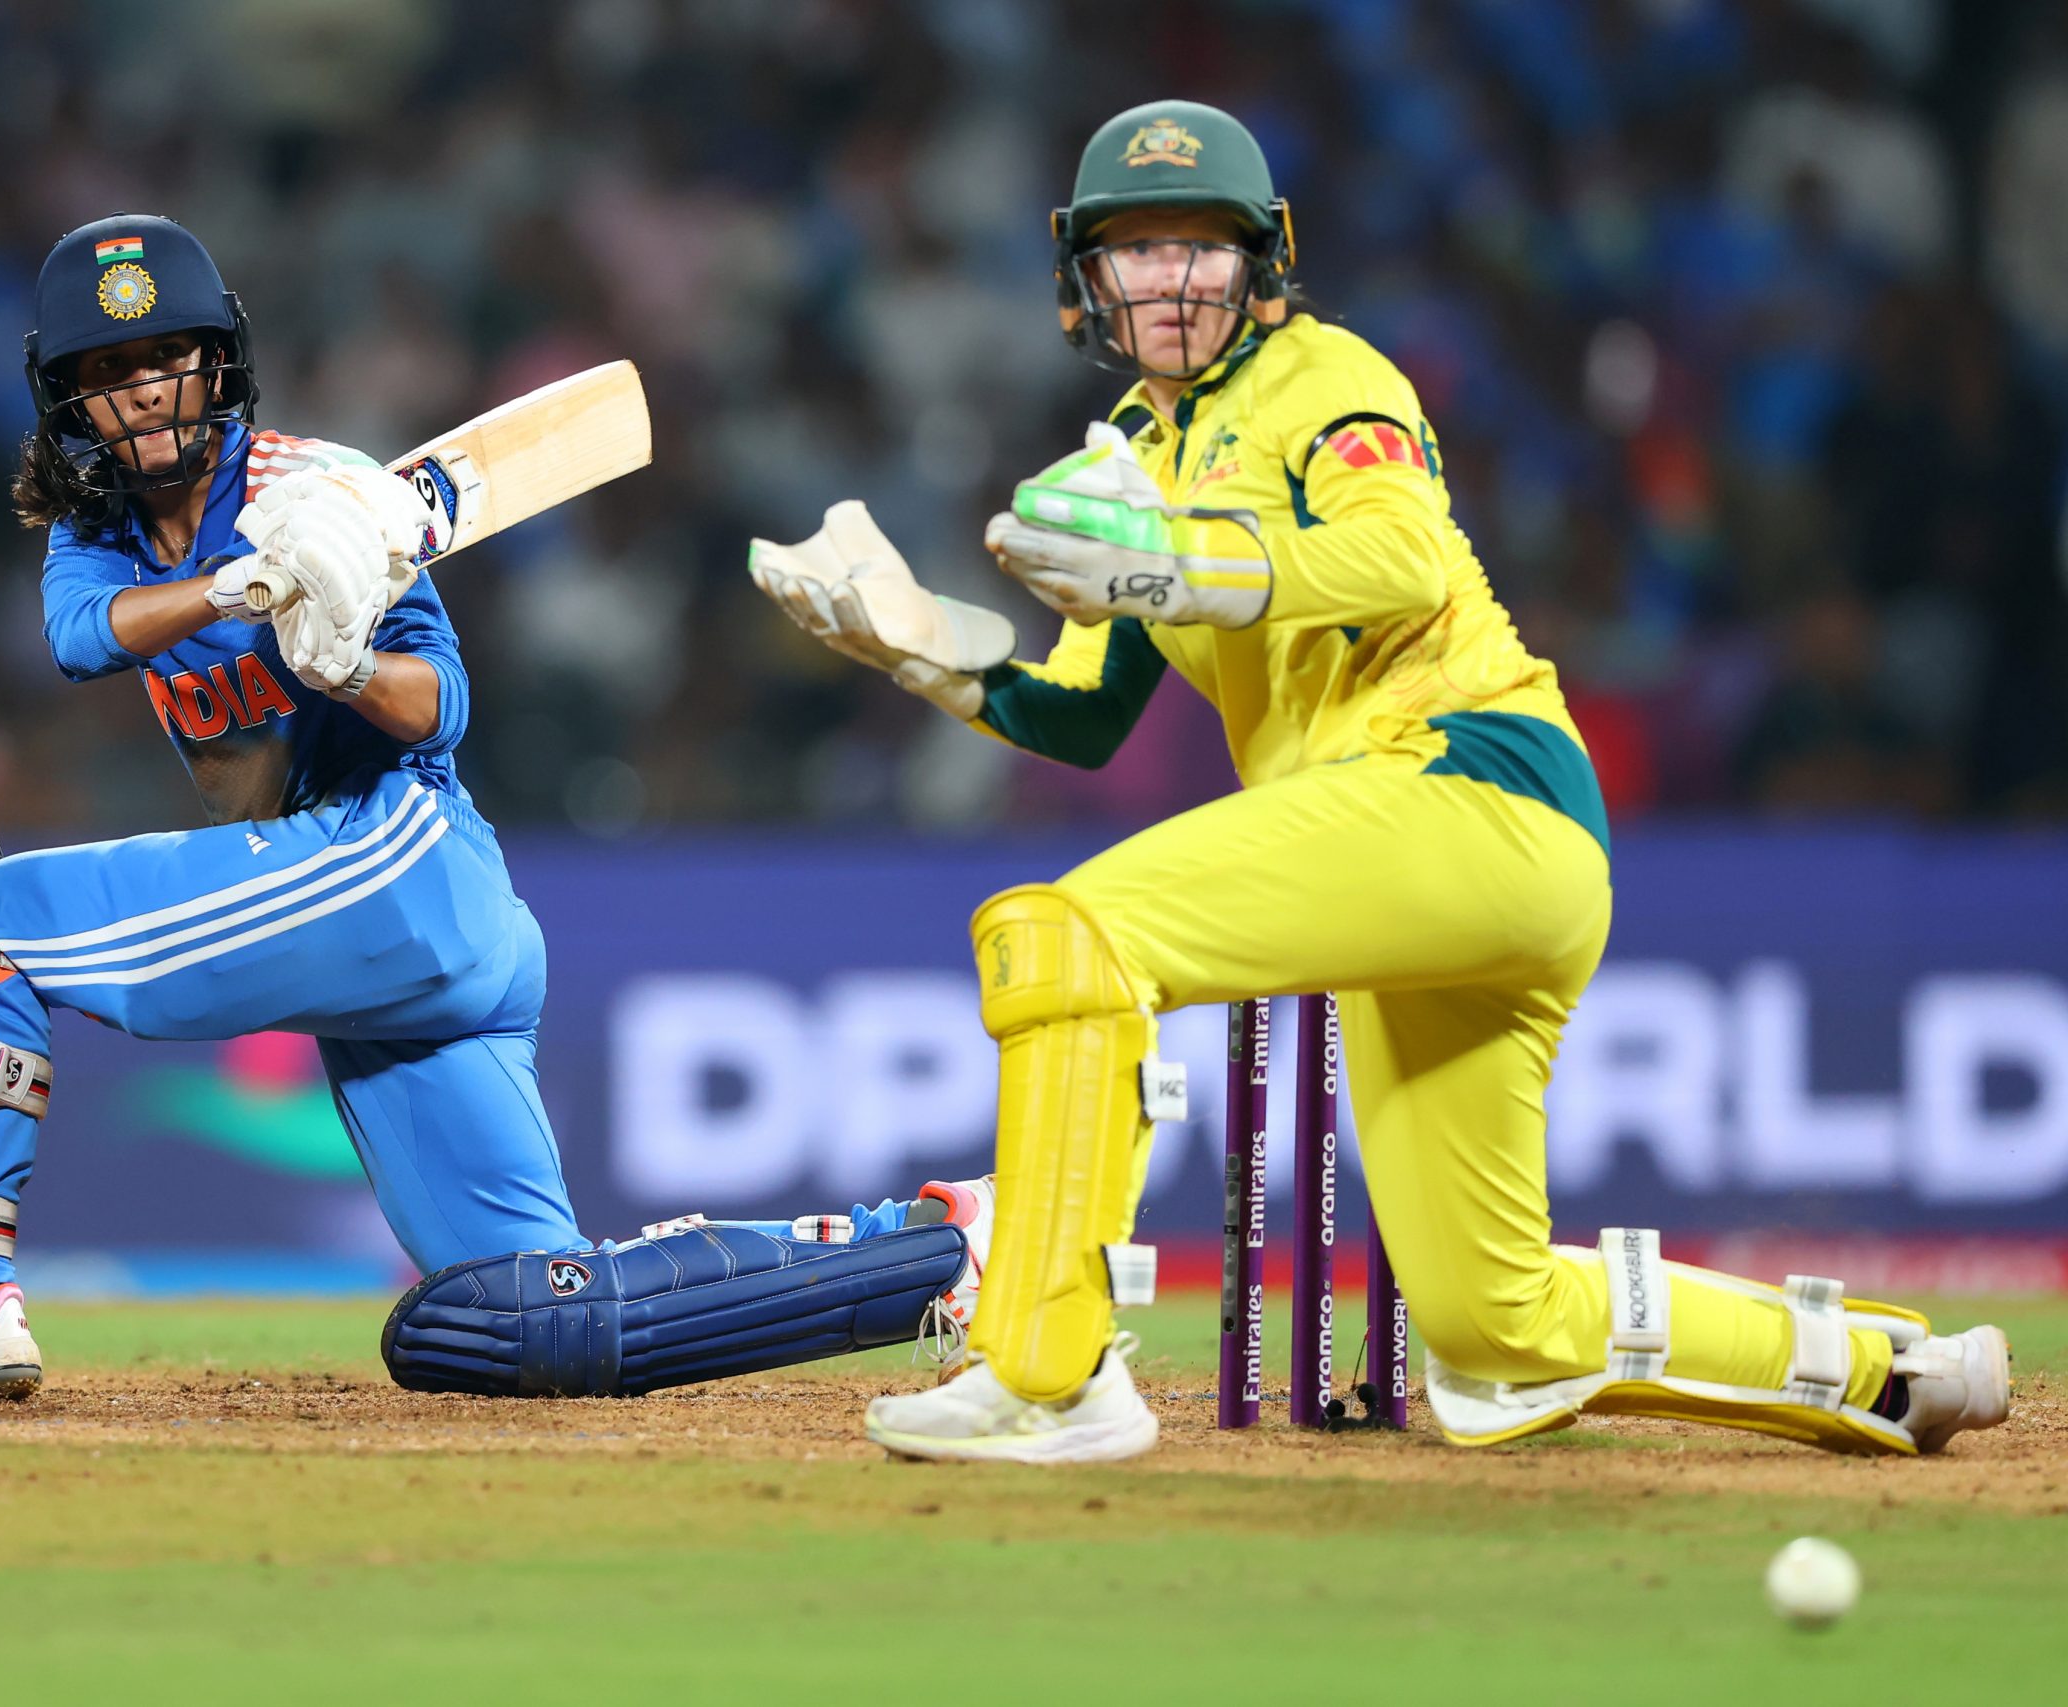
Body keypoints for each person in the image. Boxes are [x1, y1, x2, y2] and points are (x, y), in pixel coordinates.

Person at [750, 103, 2013, 1464]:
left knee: (1071, 932)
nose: (1170, 280)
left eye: (1201, 249)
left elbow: (1404, 559)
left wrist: (1177, 566)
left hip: (1470, 783)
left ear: (1261, 265)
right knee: (1493, 1337)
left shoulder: (1328, 377)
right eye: (1135, 250)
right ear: (1084, 277)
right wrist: (917, 643)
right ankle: (1893, 1365)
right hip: (1407, 865)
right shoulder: (1127, 456)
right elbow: (1085, 712)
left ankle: (1050, 1370)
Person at [0, 215, 981, 1401]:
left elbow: (442, 706)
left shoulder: (334, 497)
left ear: (217, 364)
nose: (142, 391)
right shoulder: (98, 535)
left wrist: (340, 657)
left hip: (393, 851)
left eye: (163, 359)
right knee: (527, 1317)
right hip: (389, 929)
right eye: (106, 371)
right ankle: (943, 1246)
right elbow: (81, 640)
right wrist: (238, 586)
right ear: (67, 399)